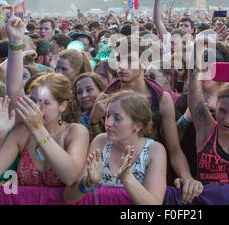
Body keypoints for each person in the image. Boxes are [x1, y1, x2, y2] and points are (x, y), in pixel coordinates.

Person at [0, 16, 89, 190]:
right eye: (33, 100)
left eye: (46, 103)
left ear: (62, 106)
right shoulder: (21, 134)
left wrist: (37, 129)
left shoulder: (76, 132)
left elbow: (70, 176)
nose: (36, 107)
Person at [90, 35, 203, 204]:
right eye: (118, 60)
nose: (121, 66)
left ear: (144, 63)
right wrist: (94, 119)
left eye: (129, 60)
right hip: (111, 176)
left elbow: (174, 149)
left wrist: (187, 178)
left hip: (152, 176)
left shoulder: (161, 99)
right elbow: (99, 140)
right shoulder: (107, 97)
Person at [63, 91, 167, 205]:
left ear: (137, 126)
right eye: (108, 115)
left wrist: (127, 178)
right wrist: (88, 182)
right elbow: (68, 198)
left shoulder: (154, 150)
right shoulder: (101, 141)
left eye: (117, 118)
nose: (108, 123)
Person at [74, 72, 107, 138]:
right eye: (79, 92)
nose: (83, 95)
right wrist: (94, 123)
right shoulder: (82, 121)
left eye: (89, 90)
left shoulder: (113, 111)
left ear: (101, 90)